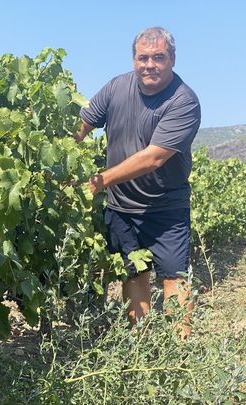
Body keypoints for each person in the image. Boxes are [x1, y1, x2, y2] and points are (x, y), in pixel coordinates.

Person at [75, 27, 201, 337]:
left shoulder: (184, 101)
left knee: (174, 278)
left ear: (172, 59)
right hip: (122, 207)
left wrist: (98, 181)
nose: (150, 65)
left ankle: (178, 353)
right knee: (135, 275)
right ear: (134, 60)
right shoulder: (117, 87)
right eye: (143, 57)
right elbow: (83, 125)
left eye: (158, 57)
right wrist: (62, 152)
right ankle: (141, 348)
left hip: (165, 208)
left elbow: (154, 158)